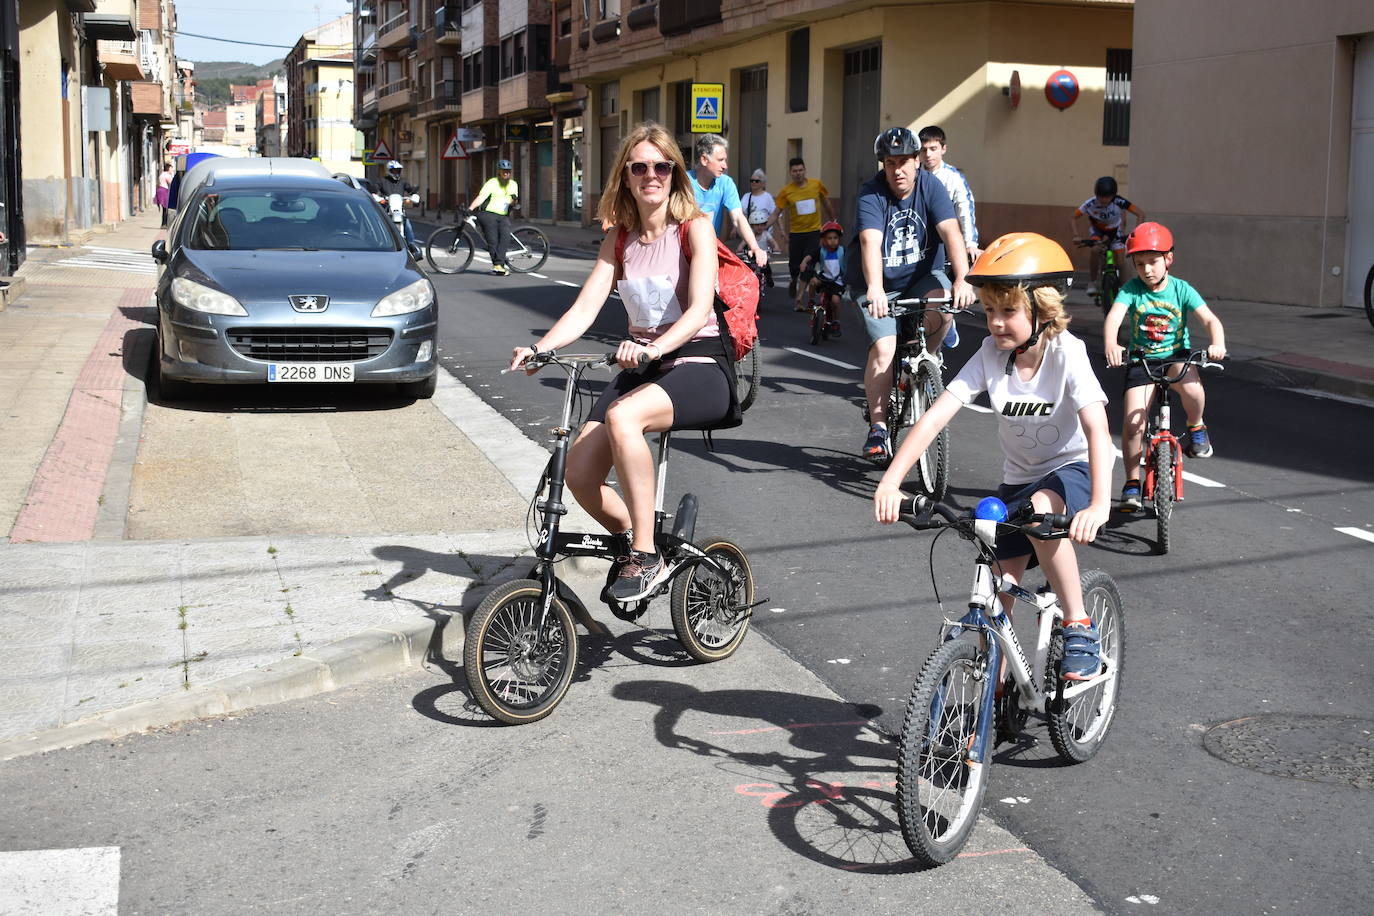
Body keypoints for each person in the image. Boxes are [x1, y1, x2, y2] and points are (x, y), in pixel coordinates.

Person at [874, 232, 1113, 681]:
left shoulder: (1068, 354)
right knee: (994, 595)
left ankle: (1079, 622)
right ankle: (993, 692)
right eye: (989, 311)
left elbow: (1098, 429)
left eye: (1008, 310)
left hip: (1069, 473)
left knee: (1041, 514)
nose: (996, 322)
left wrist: (1100, 503)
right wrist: (892, 481)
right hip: (1016, 481)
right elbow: (932, 418)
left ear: (1041, 311)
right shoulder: (989, 354)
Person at [509, 122, 730, 602]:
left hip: (699, 364)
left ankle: (647, 555)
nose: (651, 174)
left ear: (673, 172)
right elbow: (585, 307)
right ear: (626, 176)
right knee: (577, 473)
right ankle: (638, 536)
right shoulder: (621, 239)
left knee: (622, 415)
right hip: (643, 366)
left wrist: (654, 347)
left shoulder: (696, 228)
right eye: (640, 167)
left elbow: (698, 311)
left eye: (661, 165)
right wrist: (541, 349)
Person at [849, 126, 974, 461]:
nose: (899, 169)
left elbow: (951, 231)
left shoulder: (931, 187)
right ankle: (877, 428)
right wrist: (875, 288)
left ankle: (926, 358)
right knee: (885, 348)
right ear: (883, 165)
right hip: (876, 284)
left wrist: (963, 278)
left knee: (945, 304)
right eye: (891, 163)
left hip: (920, 277)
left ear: (917, 160)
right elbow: (870, 241)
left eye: (905, 161)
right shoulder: (870, 194)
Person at [1103, 222, 1227, 510]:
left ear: (1168, 259)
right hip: (1142, 359)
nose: (1147, 269)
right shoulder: (1132, 290)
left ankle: (1196, 427)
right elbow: (1115, 316)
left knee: (1193, 389)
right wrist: (1111, 343)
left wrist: (1216, 343)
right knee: (1133, 422)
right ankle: (1132, 482)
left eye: (1153, 262)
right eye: (1140, 263)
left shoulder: (1182, 289)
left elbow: (1209, 319)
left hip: (1175, 355)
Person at [918, 125, 980, 350]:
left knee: (948, 288)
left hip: (946, 245)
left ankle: (947, 320)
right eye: (924, 150)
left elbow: (966, 211)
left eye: (933, 148)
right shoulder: (914, 176)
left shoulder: (953, 178)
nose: (928, 154)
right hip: (918, 244)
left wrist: (971, 244)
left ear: (943, 149)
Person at [688, 135, 769, 269]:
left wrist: (754, 247)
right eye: (720, 160)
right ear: (703, 159)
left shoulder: (726, 183)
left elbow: (738, 217)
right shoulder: (684, 183)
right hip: (683, 250)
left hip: (710, 250)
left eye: (725, 160)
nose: (725, 166)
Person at [766, 157, 835, 299]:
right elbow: (776, 213)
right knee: (794, 267)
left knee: (809, 263)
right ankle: (794, 280)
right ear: (790, 173)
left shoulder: (816, 185)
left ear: (805, 170)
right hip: (796, 233)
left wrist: (833, 220)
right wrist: (763, 227)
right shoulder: (786, 191)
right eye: (795, 171)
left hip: (814, 232)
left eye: (800, 170)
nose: (798, 173)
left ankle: (799, 298)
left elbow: (826, 203)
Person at [1071, 176, 1145, 293]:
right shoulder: (1090, 203)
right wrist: (1076, 235)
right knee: (1095, 250)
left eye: (1108, 197)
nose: (1104, 200)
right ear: (1096, 195)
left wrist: (1136, 232)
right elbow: (1073, 217)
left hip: (1115, 232)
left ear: (1113, 195)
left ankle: (1125, 288)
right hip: (1097, 232)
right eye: (1101, 197)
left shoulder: (1120, 201)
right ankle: (1093, 282)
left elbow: (1140, 214)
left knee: (1121, 261)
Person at [793, 220, 846, 337]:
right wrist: (804, 262)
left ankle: (836, 321)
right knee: (813, 281)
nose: (832, 241)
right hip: (824, 277)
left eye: (835, 238)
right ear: (823, 239)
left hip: (837, 281)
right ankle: (811, 300)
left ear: (839, 239)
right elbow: (810, 256)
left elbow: (851, 262)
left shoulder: (842, 251)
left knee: (835, 301)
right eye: (829, 238)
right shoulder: (821, 251)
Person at [470, 159, 520, 275]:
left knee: (505, 238)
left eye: (508, 172)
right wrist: (470, 208)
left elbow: (514, 201)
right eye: (504, 171)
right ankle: (498, 265)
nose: (506, 174)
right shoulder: (492, 183)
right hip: (488, 214)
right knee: (492, 240)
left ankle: (499, 263)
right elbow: (481, 197)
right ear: (499, 172)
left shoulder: (513, 184)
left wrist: (514, 201)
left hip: (503, 216)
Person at [378, 160, 419, 246]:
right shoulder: (382, 181)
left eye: (398, 170)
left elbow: (410, 190)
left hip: (400, 211)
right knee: (379, 225)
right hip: (386, 210)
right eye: (394, 170)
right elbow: (375, 190)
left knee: (408, 227)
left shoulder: (403, 182)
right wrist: (377, 197)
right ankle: (379, 243)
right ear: (389, 171)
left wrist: (413, 195)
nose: (396, 172)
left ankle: (412, 246)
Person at [156, 162, 174, 227]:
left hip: (160, 190)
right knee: (166, 209)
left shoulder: (162, 174)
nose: (172, 170)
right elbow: (171, 183)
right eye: (171, 169)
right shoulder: (167, 175)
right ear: (168, 168)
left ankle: (163, 224)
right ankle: (164, 224)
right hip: (164, 191)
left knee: (164, 209)